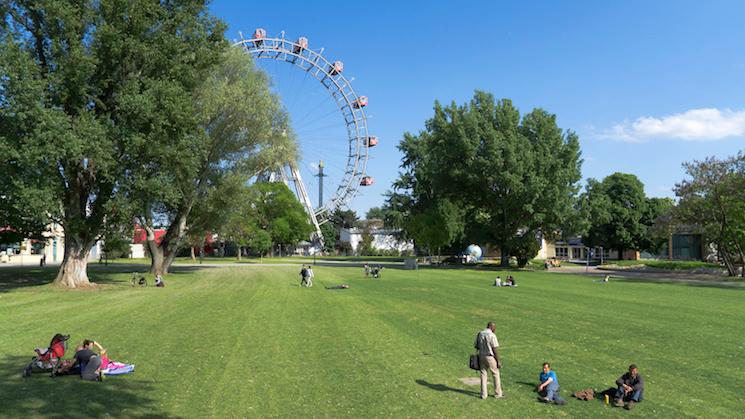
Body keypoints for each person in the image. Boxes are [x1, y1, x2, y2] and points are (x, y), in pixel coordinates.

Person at [473, 321, 504, 399]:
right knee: (495, 374)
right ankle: (498, 393)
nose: (495, 329)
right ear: (491, 327)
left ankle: (483, 394)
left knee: (483, 374)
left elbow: (476, 346)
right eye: (494, 328)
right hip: (490, 357)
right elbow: (495, 349)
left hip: (481, 356)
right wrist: (498, 360)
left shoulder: (480, 333)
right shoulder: (492, 335)